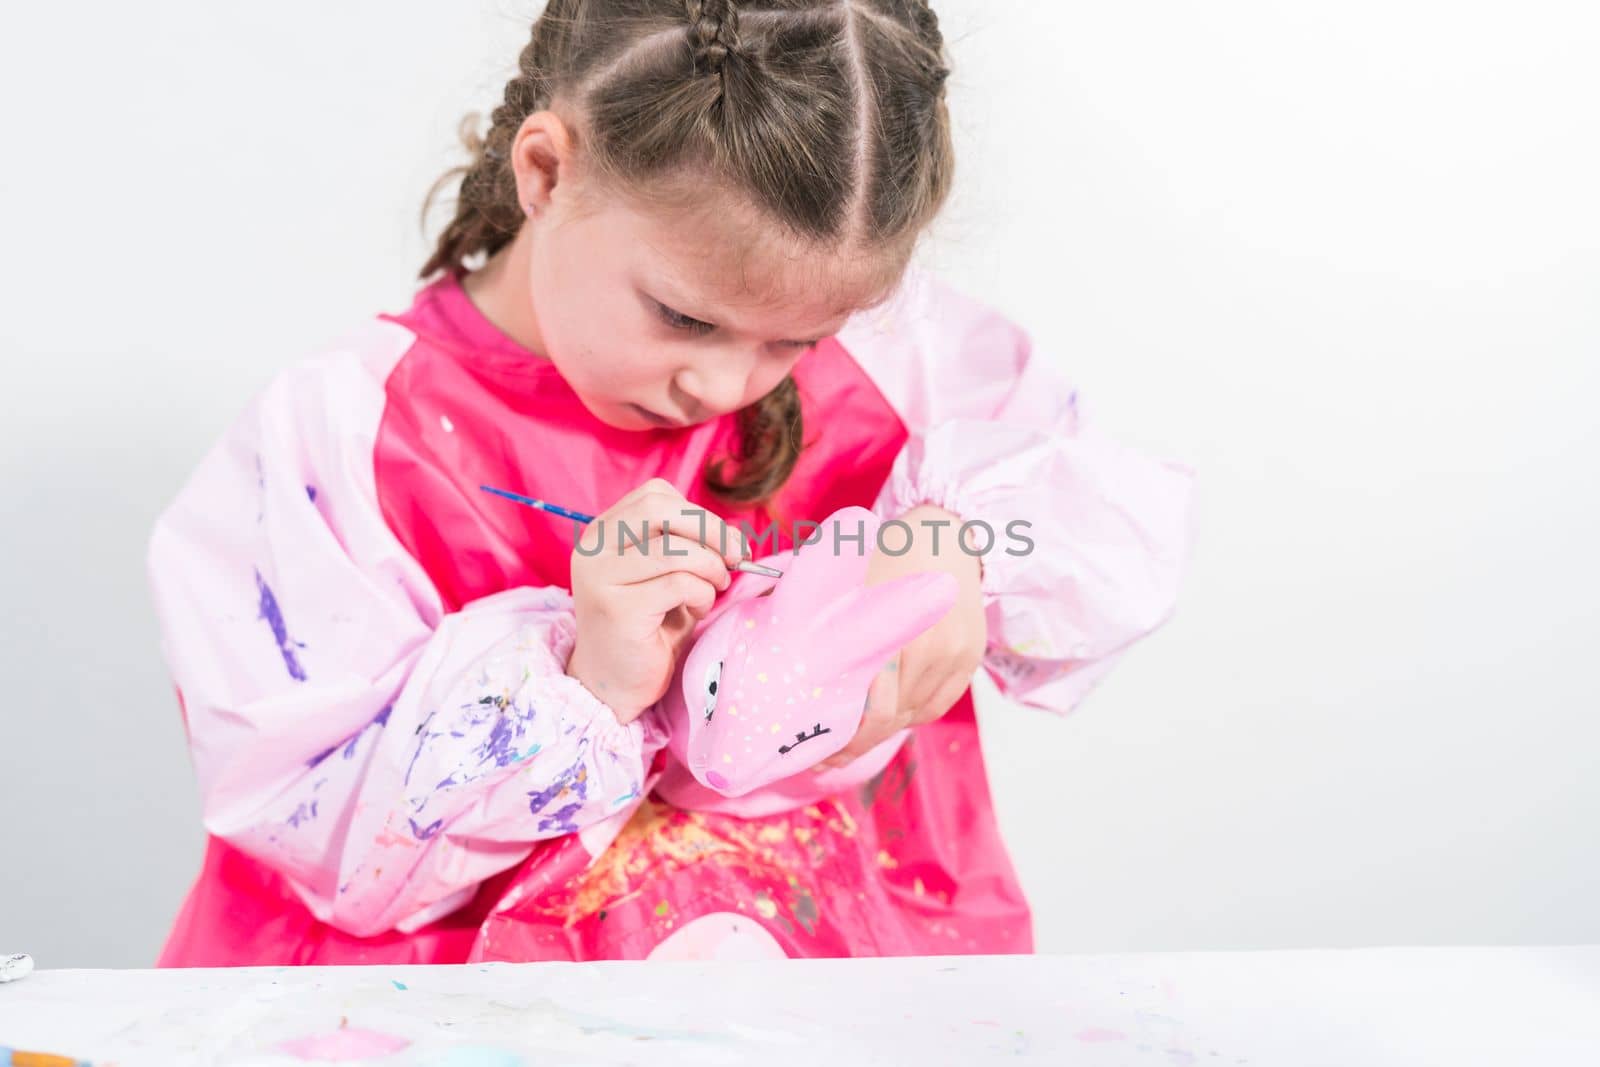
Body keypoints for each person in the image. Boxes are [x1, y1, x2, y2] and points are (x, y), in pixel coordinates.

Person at [148, 0, 1194, 966]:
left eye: (798, 337)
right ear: (547, 172)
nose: (724, 381)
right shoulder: (347, 437)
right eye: (685, 318)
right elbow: (317, 827)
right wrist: (585, 680)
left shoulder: (904, 364)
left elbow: (1098, 524)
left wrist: (963, 542)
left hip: (835, 996)